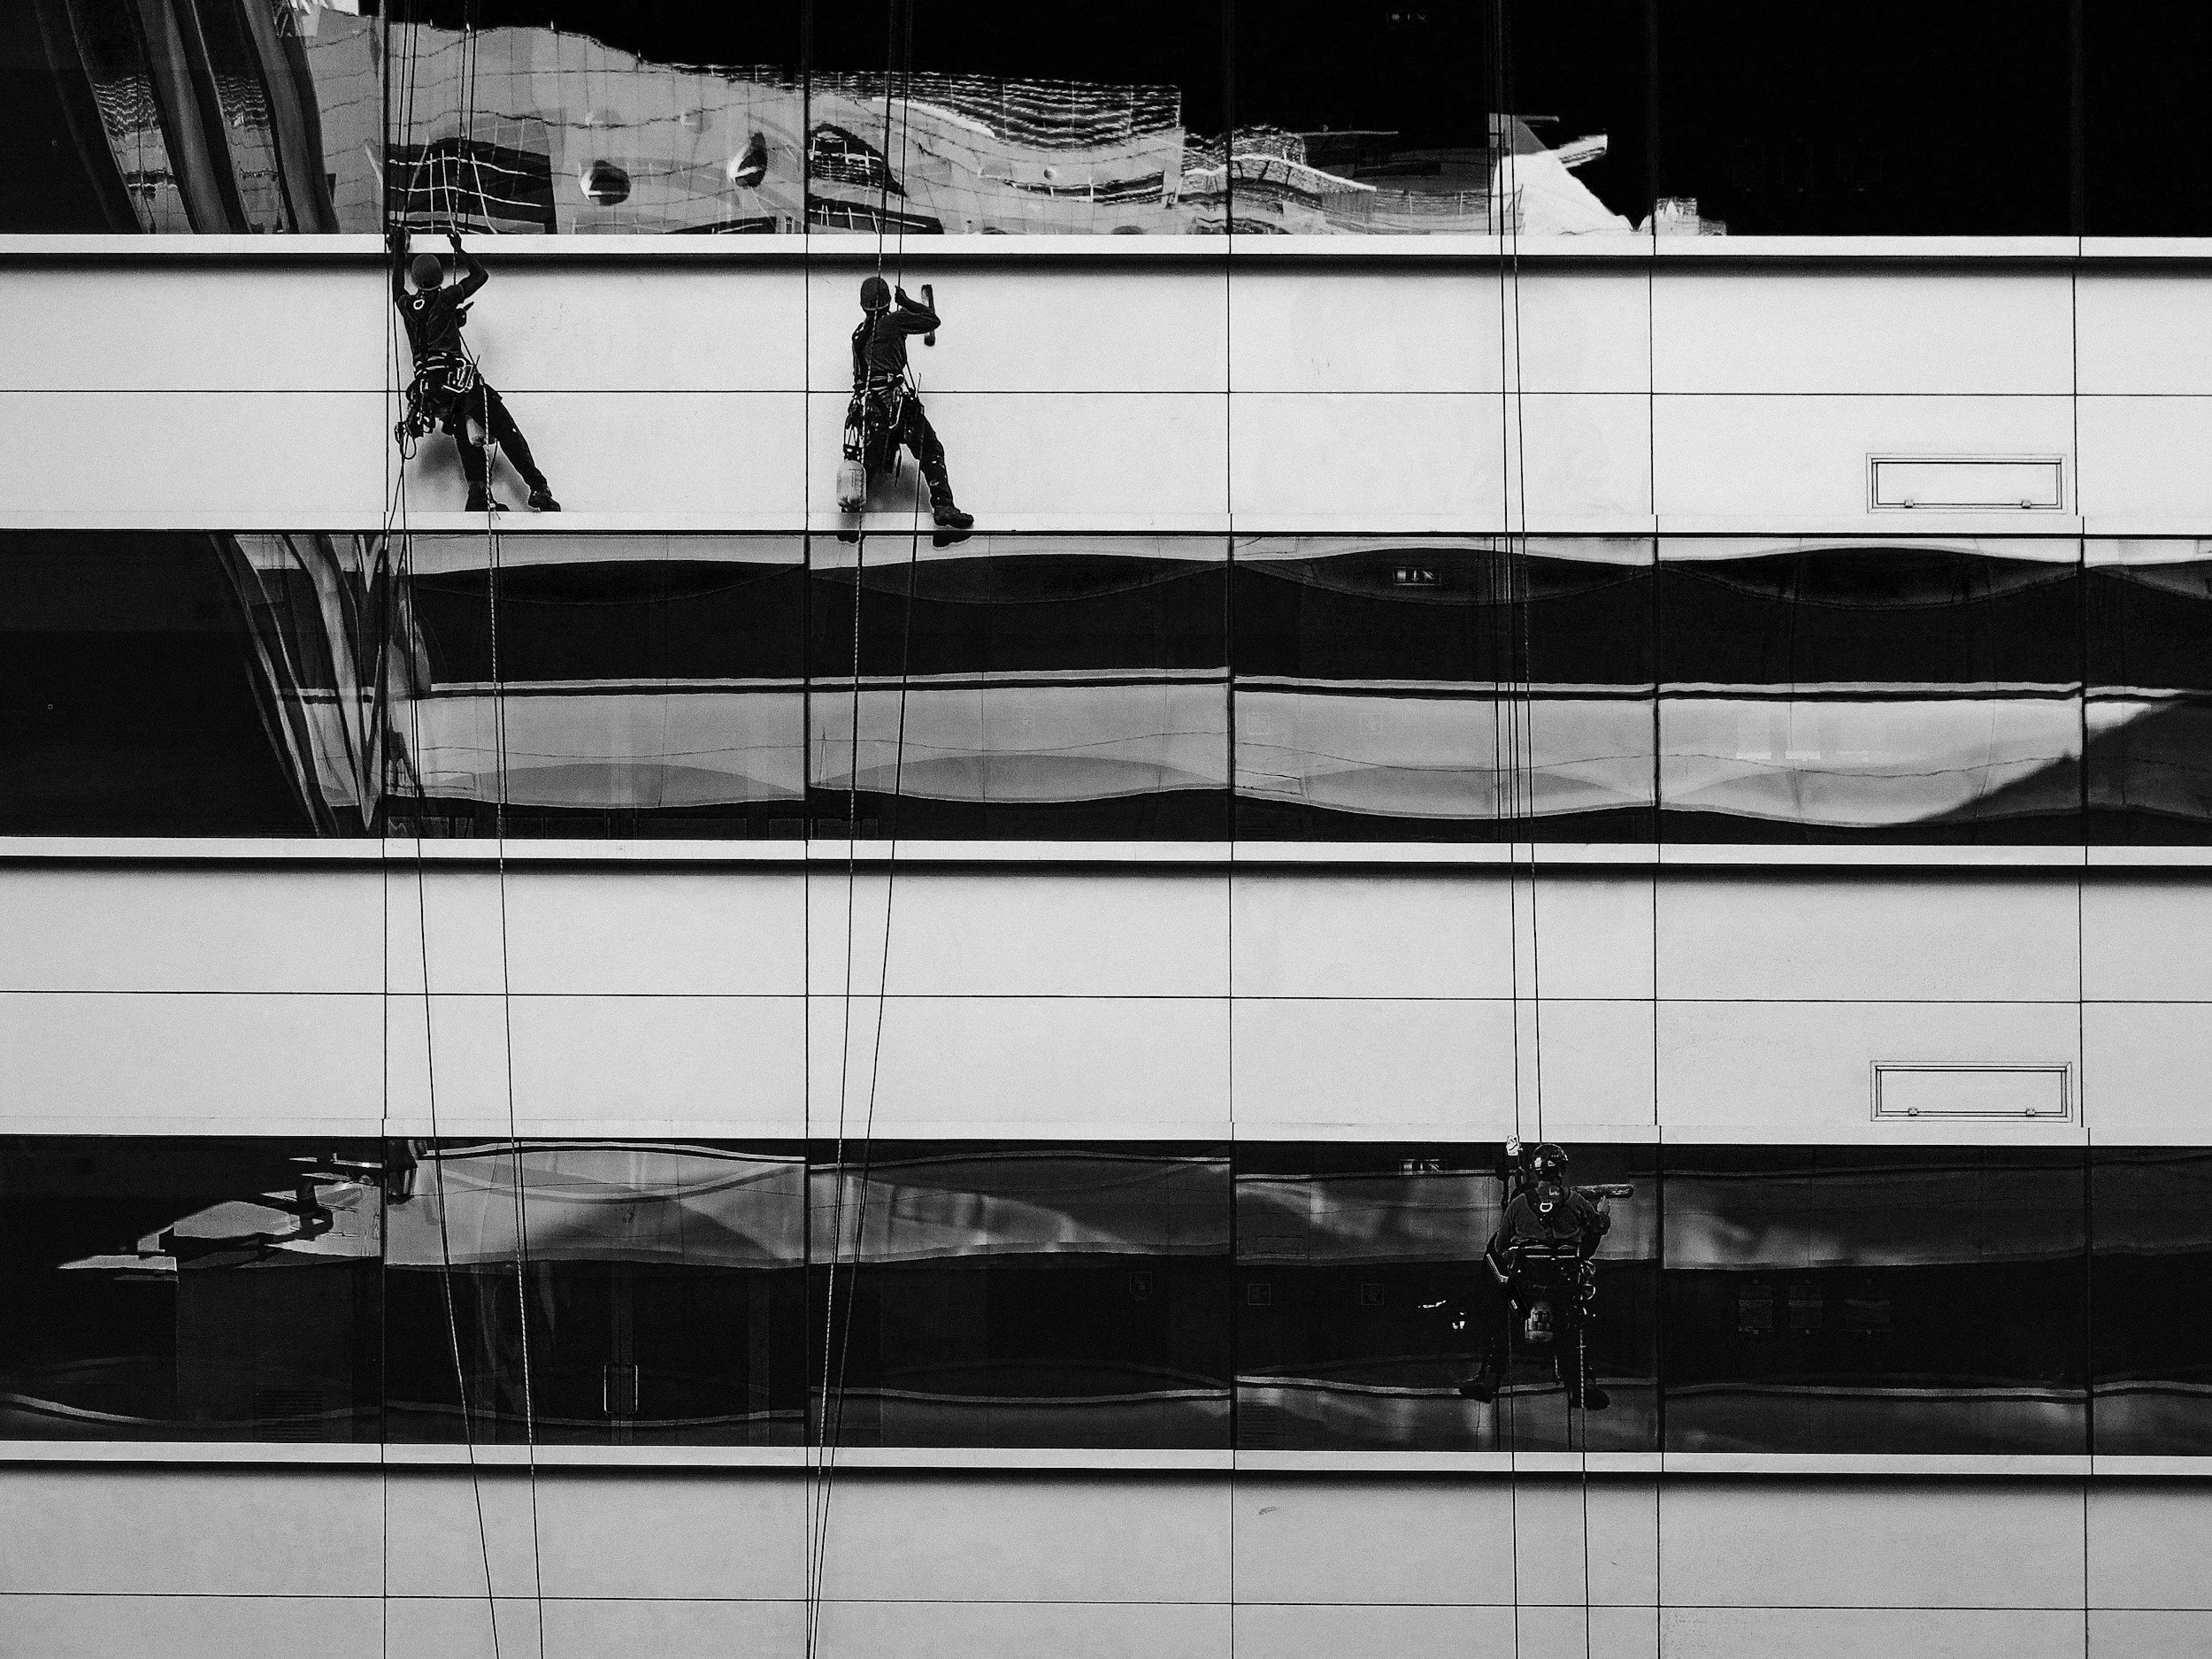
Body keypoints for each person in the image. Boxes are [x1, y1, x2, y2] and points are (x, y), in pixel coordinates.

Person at [388, 227, 559, 514]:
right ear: (439, 278)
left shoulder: (407, 306)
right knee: (505, 428)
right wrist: (460, 249)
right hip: (456, 378)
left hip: (429, 389)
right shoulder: (444, 298)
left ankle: (478, 496)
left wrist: (398, 254)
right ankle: (538, 488)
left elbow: (397, 289)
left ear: (417, 280)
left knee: (465, 433)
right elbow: (480, 276)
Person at [1458, 1142, 1616, 1410]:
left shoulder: (1519, 1203)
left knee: (1500, 1320)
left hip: (1524, 1287)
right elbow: (1596, 1229)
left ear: (1535, 1171)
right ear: (1561, 1170)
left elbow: (1500, 1246)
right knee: (1573, 1327)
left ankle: (1489, 1378)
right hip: (1563, 1285)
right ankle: (1582, 1385)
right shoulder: (1576, 1201)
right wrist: (1603, 1214)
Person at [843, 275, 972, 533]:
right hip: (895, 405)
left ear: (863, 305)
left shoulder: (858, 334)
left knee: (870, 461)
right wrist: (907, 301)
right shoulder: (894, 321)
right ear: (887, 300)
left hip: (871, 409)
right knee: (931, 450)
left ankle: (849, 512)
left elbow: (859, 376)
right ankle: (943, 506)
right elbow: (932, 320)